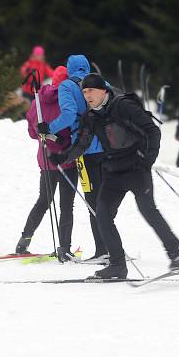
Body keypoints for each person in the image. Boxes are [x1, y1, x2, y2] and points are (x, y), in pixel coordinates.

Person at [51, 73, 179, 279]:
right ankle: (117, 265)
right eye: (84, 91)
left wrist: (146, 161)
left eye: (91, 91)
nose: (88, 95)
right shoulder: (91, 116)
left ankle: (175, 254)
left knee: (148, 210)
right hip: (113, 171)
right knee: (103, 215)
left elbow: (153, 131)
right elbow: (83, 142)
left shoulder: (123, 106)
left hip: (136, 168)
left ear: (103, 91)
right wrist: (63, 157)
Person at [37, 54, 108, 262]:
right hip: (108, 147)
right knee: (106, 198)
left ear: (69, 69)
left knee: (93, 199)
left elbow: (68, 115)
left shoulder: (68, 86)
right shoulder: (100, 83)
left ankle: (103, 250)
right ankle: (112, 246)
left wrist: (49, 128)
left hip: (85, 151)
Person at [15, 66, 78, 256]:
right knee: (66, 206)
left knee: (43, 201)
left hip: (46, 160)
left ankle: (23, 242)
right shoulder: (70, 99)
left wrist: (45, 133)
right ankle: (64, 248)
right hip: (68, 159)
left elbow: (33, 133)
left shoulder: (38, 101)